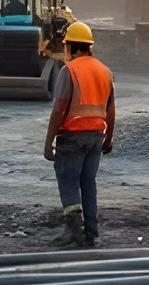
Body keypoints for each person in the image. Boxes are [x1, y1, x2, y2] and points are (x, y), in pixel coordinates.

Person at [44, 22, 114, 247]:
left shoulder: (70, 70)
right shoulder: (105, 71)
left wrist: (48, 143)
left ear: (71, 47)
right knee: (88, 182)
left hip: (73, 136)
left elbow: (59, 108)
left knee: (68, 181)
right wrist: (108, 139)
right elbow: (111, 110)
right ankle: (91, 233)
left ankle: (74, 231)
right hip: (96, 136)